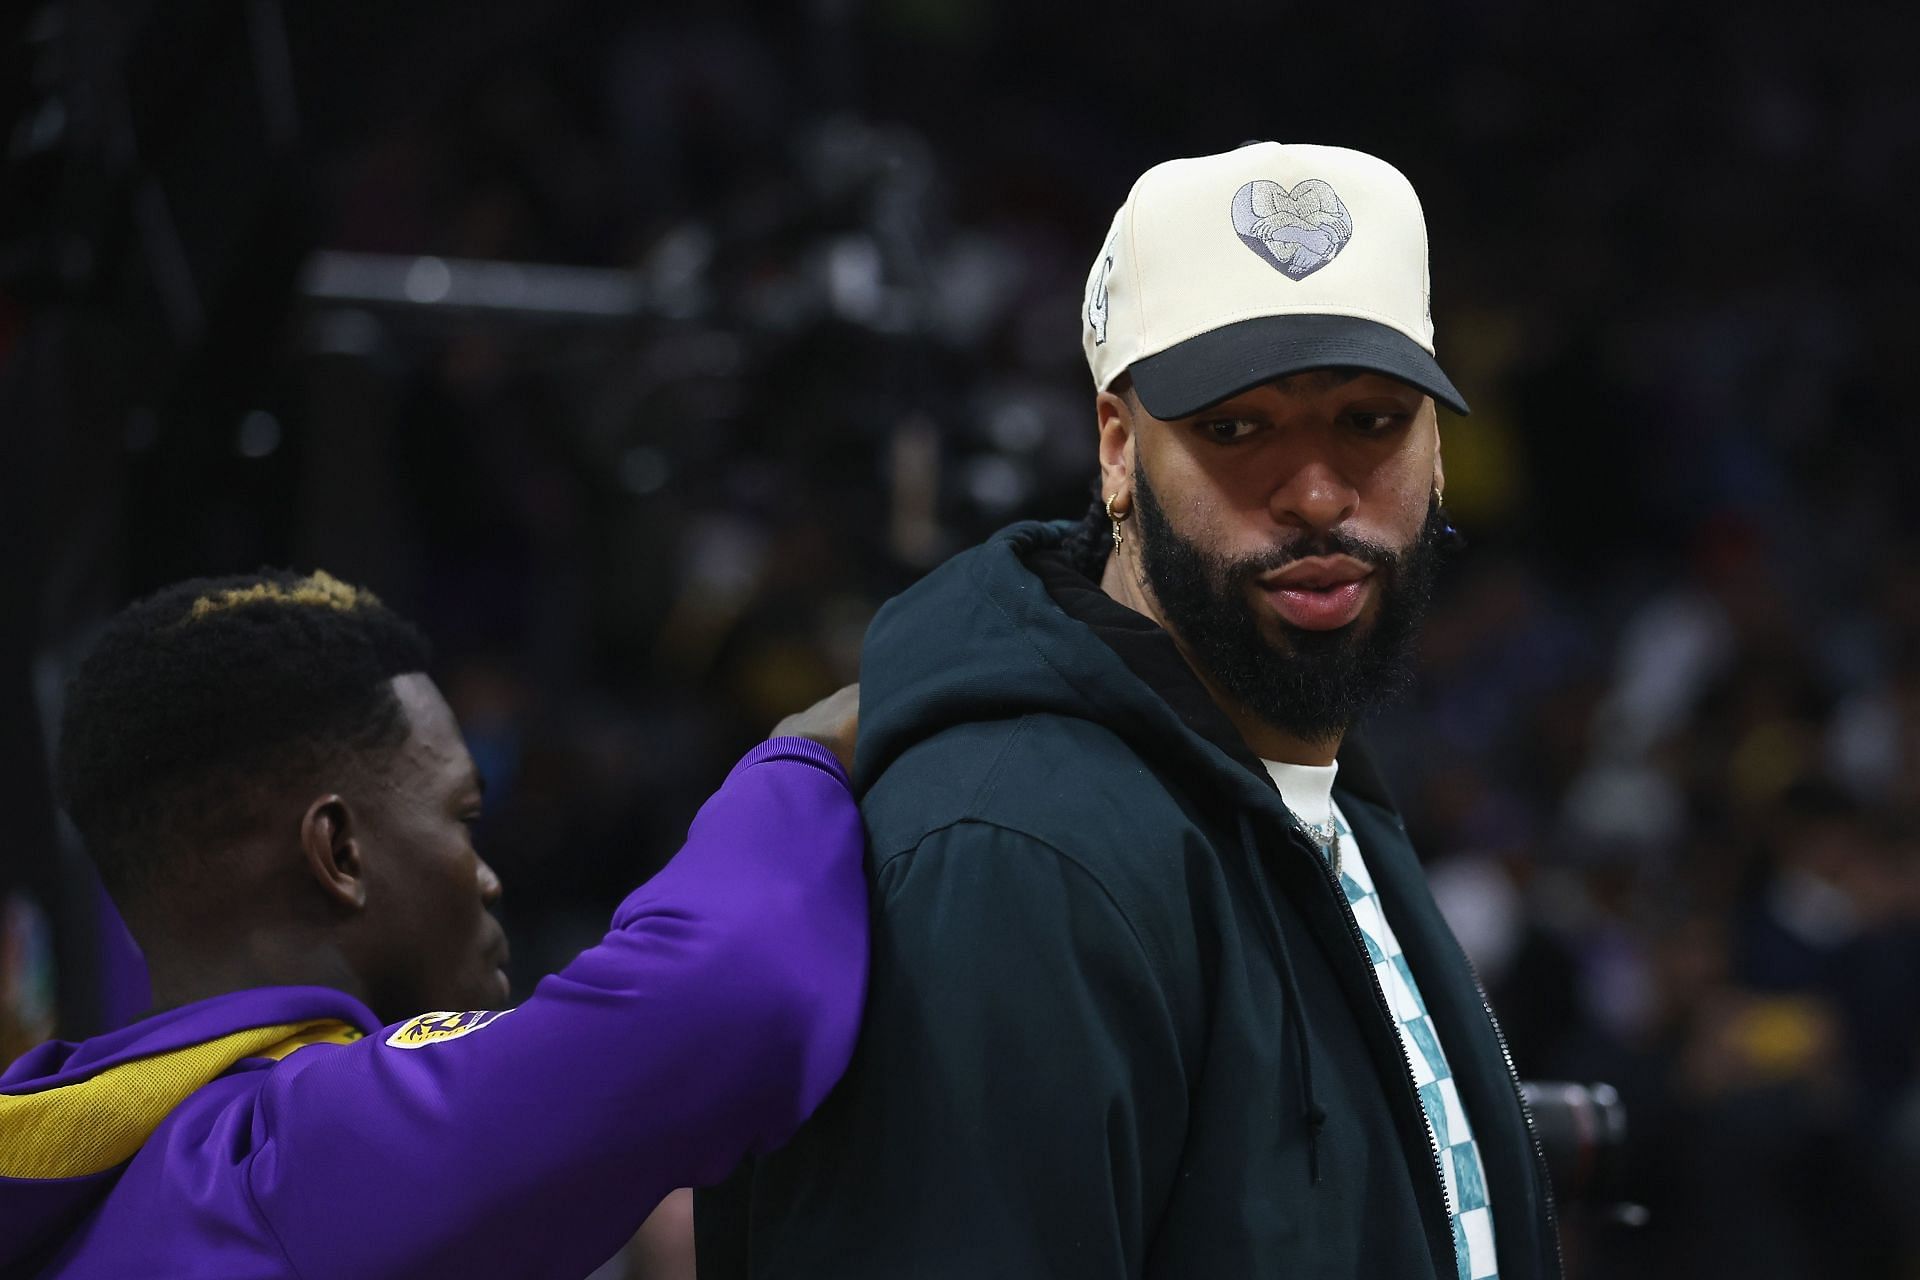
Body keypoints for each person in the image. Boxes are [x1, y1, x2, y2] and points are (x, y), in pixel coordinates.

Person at [697, 142, 1558, 1277]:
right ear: (1117, 446)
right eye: (1237, 426)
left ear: (1438, 448)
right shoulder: (1016, 853)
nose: (1315, 491)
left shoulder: (1303, 781)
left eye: (1371, 418)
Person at [0, 569, 867, 1279]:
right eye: (463, 819)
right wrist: (802, 758)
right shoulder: (287, 1172)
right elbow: (731, 990)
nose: (487, 878)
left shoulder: (108, 1183)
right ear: (338, 852)